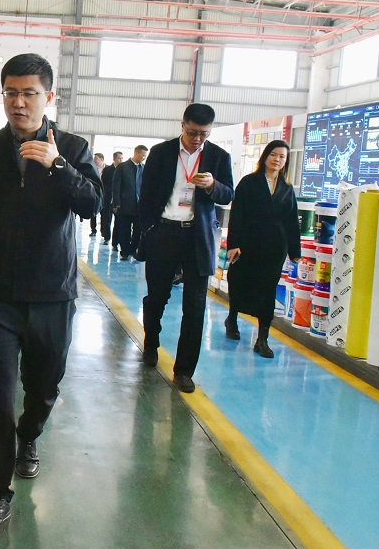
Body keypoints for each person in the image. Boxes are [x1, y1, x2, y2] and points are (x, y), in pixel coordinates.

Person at [0, 53, 102, 542]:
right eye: (10, 93)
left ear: (48, 97)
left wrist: (58, 165)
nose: (18, 102)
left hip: (52, 294)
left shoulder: (74, 148)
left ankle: (30, 435)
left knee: (42, 386)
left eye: (29, 93)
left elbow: (92, 204)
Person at [137, 103, 234, 393]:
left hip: (198, 237)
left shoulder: (218, 157)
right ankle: (151, 341)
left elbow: (228, 194)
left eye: (204, 134)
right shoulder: (161, 153)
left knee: (195, 306)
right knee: (157, 297)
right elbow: (146, 195)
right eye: (192, 133)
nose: (197, 139)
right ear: (182, 126)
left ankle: (184, 371)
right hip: (164, 233)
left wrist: (212, 185)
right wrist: (148, 230)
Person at [224, 140, 301, 358]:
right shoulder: (249, 182)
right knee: (239, 282)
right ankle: (232, 318)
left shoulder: (287, 188)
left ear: (286, 161)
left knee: (267, 291)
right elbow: (237, 213)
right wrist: (234, 244)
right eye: (273, 154)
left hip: (275, 247)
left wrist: (295, 251)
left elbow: (291, 220)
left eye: (282, 156)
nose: (277, 159)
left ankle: (262, 339)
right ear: (265, 156)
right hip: (248, 243)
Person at [110, 145, 148, 260]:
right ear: (136, 153)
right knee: (124, 230)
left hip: (139, 206)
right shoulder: (122, 167)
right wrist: (117, 203)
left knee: (138, 230)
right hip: (124, 205)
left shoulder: (144, 168)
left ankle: (133, 250)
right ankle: (125, 251)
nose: (144, 158)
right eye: (143, 155)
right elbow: (116, 186)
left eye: (145, 156)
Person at [100, 151, 123, 243]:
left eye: (122, 158)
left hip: (119, 199)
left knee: (118, 221)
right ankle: (107, 237)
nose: (121, 160)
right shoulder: (107, 170)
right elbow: (103, 183)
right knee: (107, 219)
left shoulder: (123, 169)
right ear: (114, 159)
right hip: (108, 198)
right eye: (119, 158)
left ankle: (115, 242)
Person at [89, 153, 105, 236]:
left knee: (104, 215)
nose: (94, 160)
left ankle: (103, 232)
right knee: (93, 214)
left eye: (96, 159)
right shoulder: (92, 169)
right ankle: (93, 230)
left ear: (101, 159)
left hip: (105, 196)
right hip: (95, 194)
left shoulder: (108, 169)